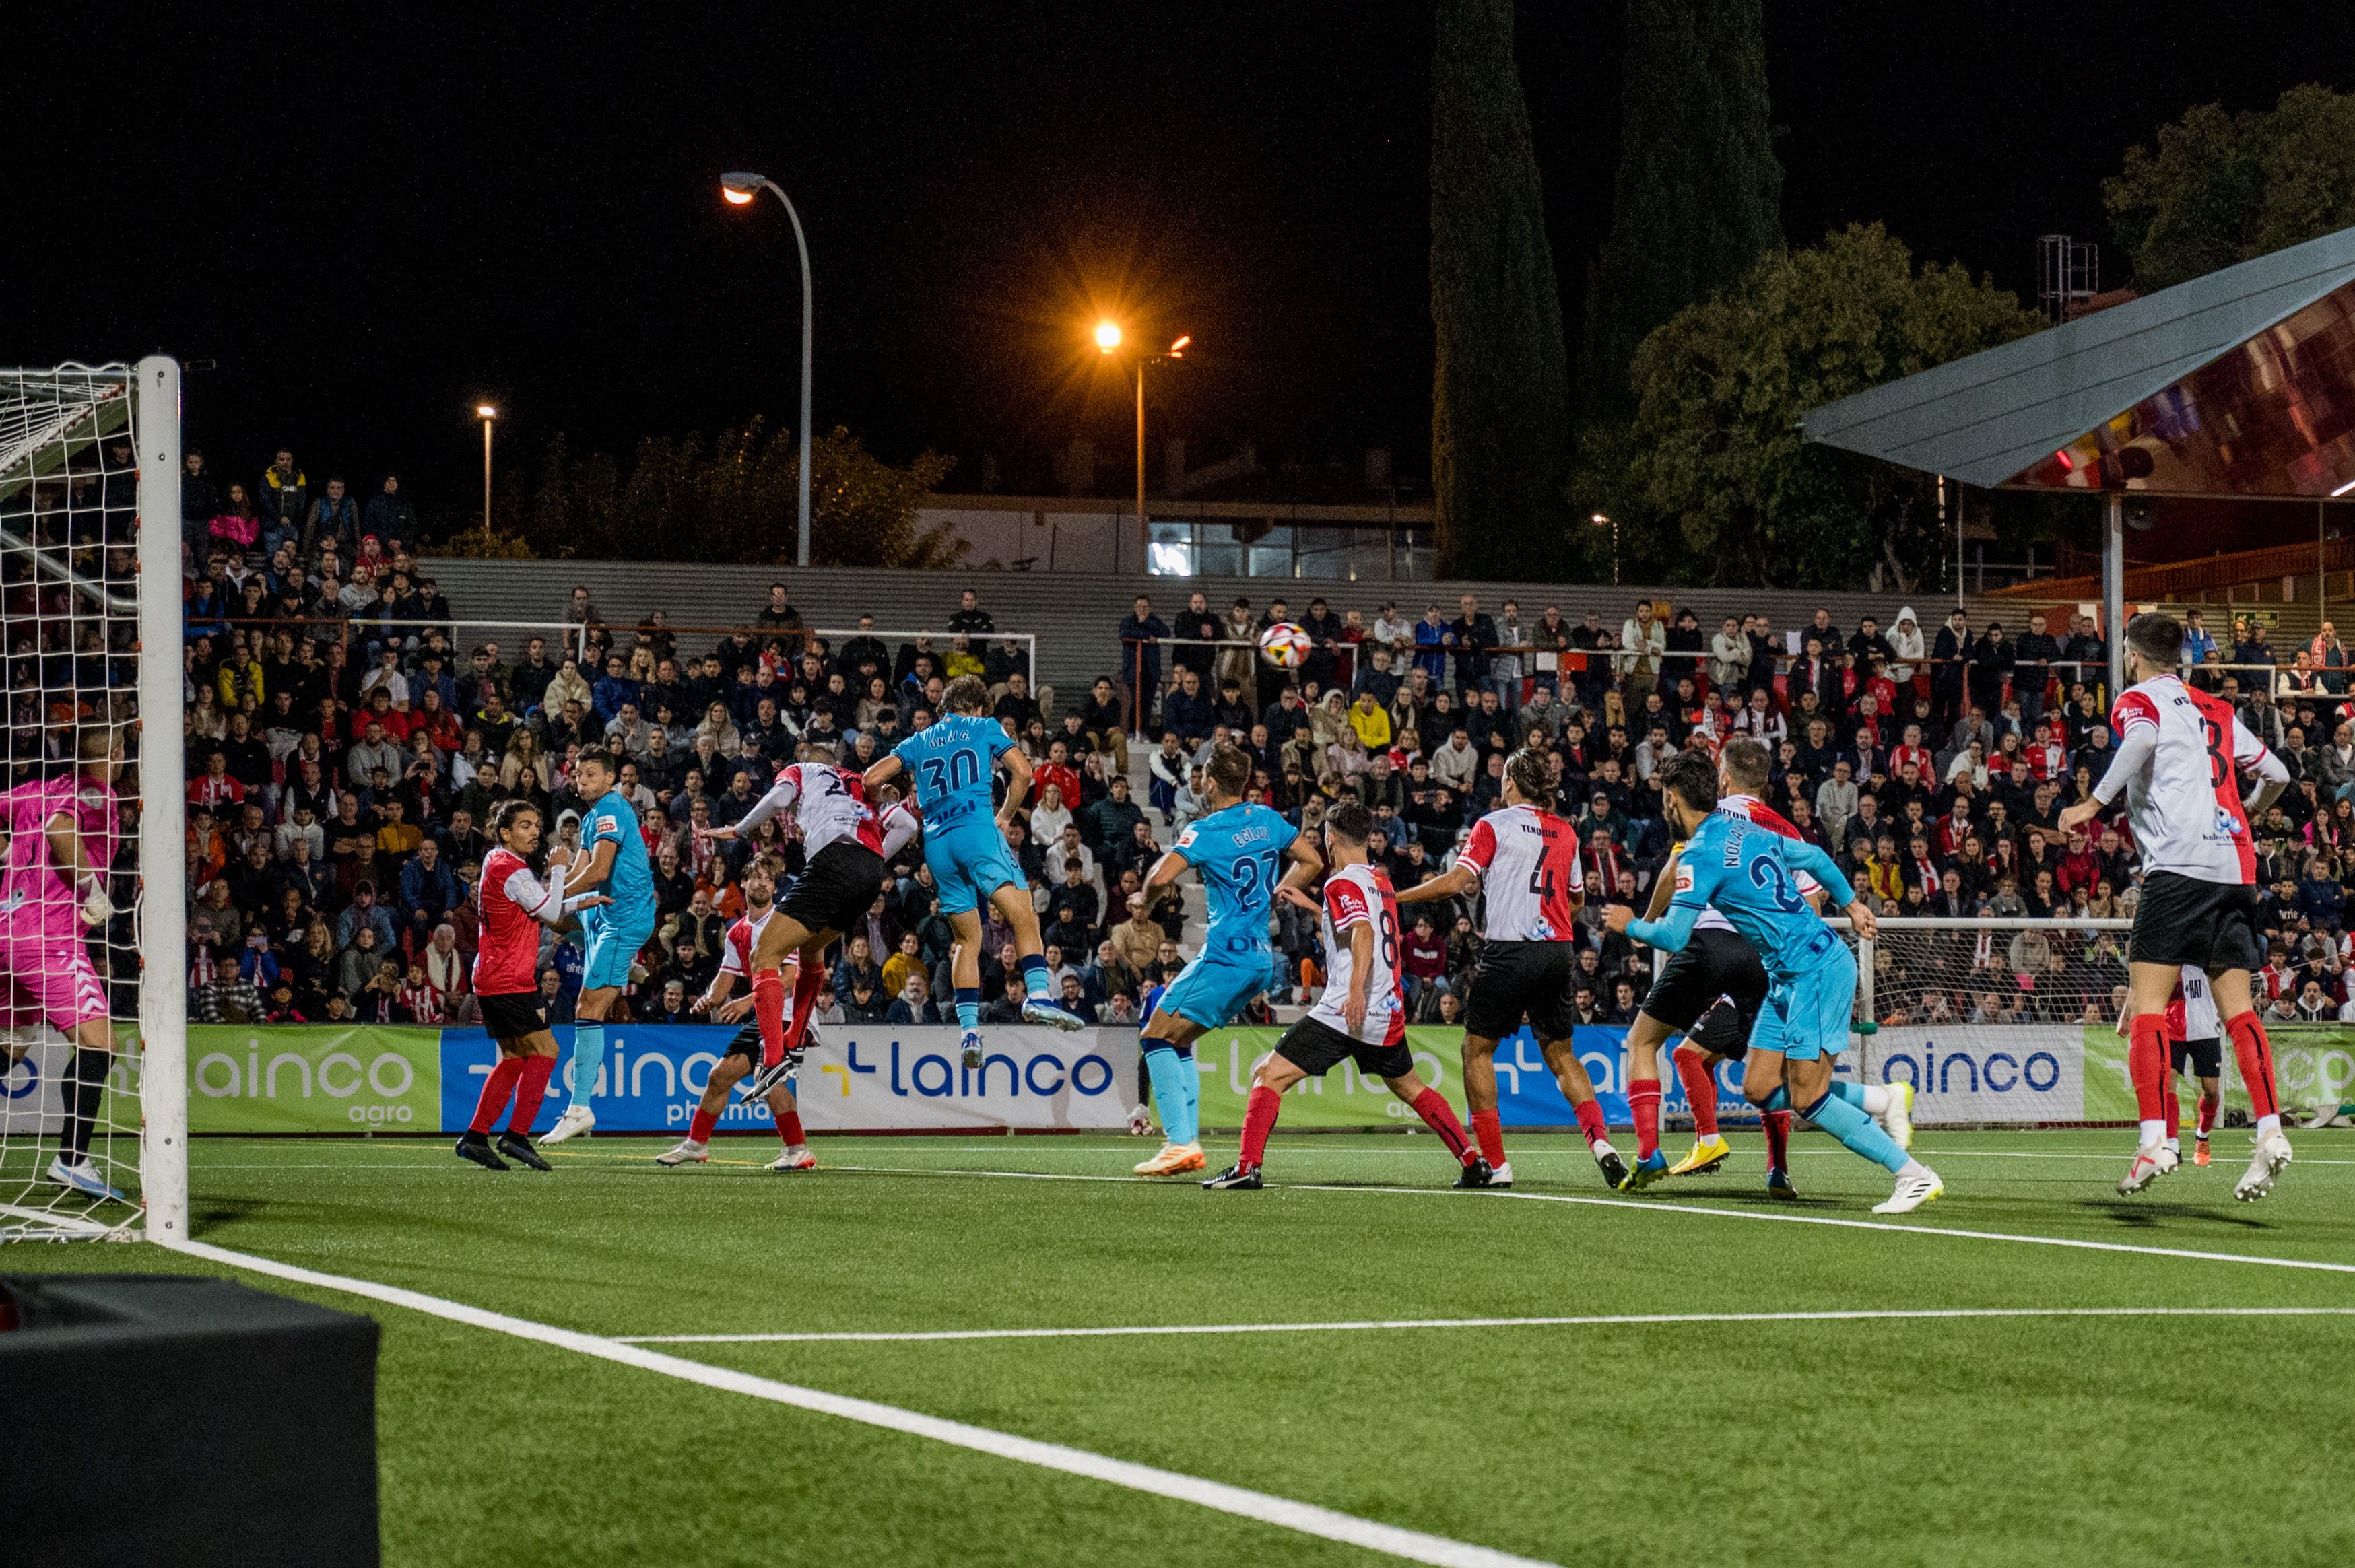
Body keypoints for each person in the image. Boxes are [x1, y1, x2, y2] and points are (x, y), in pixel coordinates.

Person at [1611, 750, 1944, 1214]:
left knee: (1807, 1095)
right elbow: (1812, 855)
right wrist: (1850, 904)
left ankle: (1912, 1174)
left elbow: (1670, 935)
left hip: (1813, 972)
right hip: (1791, 972)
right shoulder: (1743, 827)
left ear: (1672, 800)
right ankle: (1881, 1099)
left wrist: (1628, 923)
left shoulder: (1700, 853)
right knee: (1759, 1086)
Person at [2056, 610, 2292, 1200]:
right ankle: (2268, 1130)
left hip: (2177, 867)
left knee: (2149, 1010)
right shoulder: (2216, 707)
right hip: (2234, 868)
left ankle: (2155, 1140)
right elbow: (2279, 773)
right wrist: (2253, 813)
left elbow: (2138, 740)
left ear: (2133, 655)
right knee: (2238, 1010)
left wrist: (2093, 803)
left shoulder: (2138, 698)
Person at [1203, 801, 1488, 1189]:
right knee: (1410, 1087)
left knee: (1267, 1075)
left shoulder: (1341, 882)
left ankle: (1247, 1168)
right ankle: (1473, 1162)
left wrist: (1354, 992)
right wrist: (1312, 906)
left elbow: (1364, 933)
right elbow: (1360, 923)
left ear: (1330, 838)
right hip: (1386, 1009)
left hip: (1347, 1008)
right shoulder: (1379, 880)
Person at [1395, 743, 1626, 1190]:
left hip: (1507, 950)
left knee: (1476, 1050)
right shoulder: (1565, 831)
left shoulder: (1492, 824)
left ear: (1511, 782)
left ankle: (1497, 1164)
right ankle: (1601, 1143)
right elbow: (1576, 899)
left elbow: (1459, 882)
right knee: (1561, 1054)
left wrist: (1396, 896)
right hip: (1557, 950)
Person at [865, 675, 1082, 1069]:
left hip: (937, 846)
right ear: (980, 707)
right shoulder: (983, 726)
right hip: (976, 830)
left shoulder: (920, 739)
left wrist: (888, 802)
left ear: (943, 707)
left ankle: (969, 1032)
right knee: (1025, 912)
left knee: (968, 937)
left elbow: (871, 779)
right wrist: (1005, 815)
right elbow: (1024, 772)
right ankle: (1037, 995)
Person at [1133, 742, 1322, 1176]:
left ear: (1211, 782)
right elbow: (1311, 860)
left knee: (1155, 1035)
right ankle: (1186, 1144)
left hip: (1225, 955)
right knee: (1178, 1038)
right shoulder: (1268, 820)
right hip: (1260, 960)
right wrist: (1280, 892)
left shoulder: (1207, 829)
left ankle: (1180, 1142)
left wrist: (1145, 898)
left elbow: (1161, 875)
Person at [707, 741, 921, 1093]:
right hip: (868, 876)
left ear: (804, 760)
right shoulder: (861, 782)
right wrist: (875, 856)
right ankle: (794, 1041)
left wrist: (739, 830)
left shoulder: (802, 771)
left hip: (832, 862)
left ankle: (774, 1058)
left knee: (765, 955)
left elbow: (778, 800)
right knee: (811, 950)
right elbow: (907, 825)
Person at [0, 729, 127, 1200]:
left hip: (6, 931)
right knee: (101, 1045)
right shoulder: (98, 792)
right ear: (114, 754)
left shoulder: (33, 789)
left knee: (10, 1046)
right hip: (48, 938)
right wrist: (93, 891)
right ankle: (72, 1160)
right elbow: (59, 828)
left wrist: (8, 855)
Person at [453, 801, 610, 1172]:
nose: (534, 831)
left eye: (536, 824)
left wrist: (577, 900)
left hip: (495, 974)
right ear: (505, 833)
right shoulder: (513, 869)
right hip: (508, 978)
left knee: (515, 1057)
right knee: (547, 1050)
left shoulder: (497, 861)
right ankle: (516, 1136)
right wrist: (559, 872)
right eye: (525, 826)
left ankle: (476, 1137)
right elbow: (550, 913)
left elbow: (538, 905)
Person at [654, 857, 817, 1173]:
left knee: (765, 1074)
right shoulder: (736, 933)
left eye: (767, 879)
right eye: (754, 877)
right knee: (720, 1076)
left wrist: (746, 1001)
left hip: (790, 1011)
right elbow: (724, 980)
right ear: (743, 883)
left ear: (774, 886)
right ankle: (696, 1145)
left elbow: (790, 977)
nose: (761, 883)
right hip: (764, 1013)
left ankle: (797, 1149)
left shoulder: (784, 924)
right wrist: (708, 1000)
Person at [539, 749, 657, 1145]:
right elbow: (578, 871)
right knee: (551, 918)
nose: (582, 780)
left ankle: (579, 1108)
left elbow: (600, 871)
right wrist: (551, 893)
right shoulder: (591, 817)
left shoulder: (611, 808)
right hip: (599, 915)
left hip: (621, 919)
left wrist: (550, 895)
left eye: (591, 773)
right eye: (577, 774)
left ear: (610, 779)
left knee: (587, 1007)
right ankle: (627, 967)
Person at [2162, 964, 2222, 1169]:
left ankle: (2202, 1137)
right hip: (2171, 1028)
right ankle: (2172, 1147)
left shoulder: (2205, 956)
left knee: (2212, 1091)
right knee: (2167, 1084)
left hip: (2205, 1030)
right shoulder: (2168, 958)